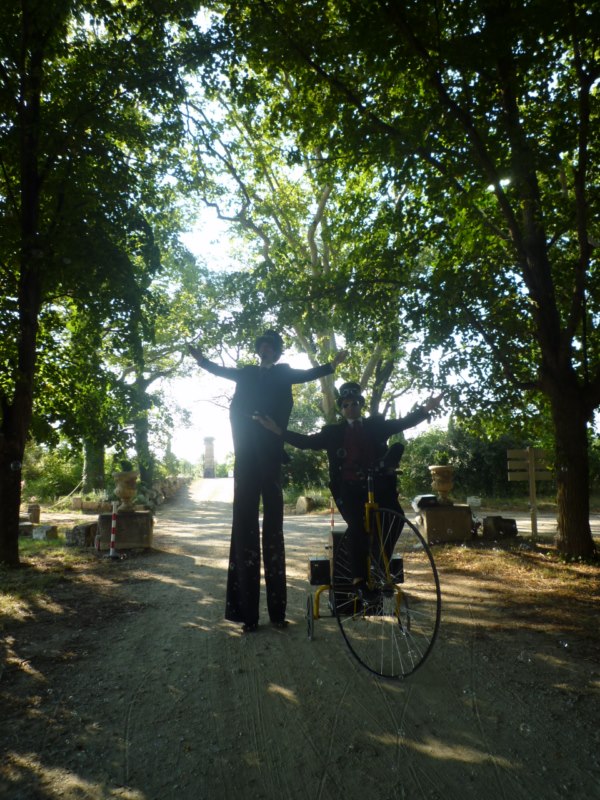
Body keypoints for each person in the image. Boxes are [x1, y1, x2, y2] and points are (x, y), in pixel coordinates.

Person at [189, 330, 347, 632]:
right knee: (243, 528)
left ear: (277, 352)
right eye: (262, 346)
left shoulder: (285, 374)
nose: (266, 350)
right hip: (246, 460)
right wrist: (202, 361)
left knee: (274, 532)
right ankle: (247, 616)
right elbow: (222, 371)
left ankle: (277, 614)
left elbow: (309, 373)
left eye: (271, 347)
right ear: (257, 350)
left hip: (271, 459)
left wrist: (331, 365)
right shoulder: (246, 373)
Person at [256, 381, 442, 595]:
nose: (350, 407)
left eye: (354, 403)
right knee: (357, 527)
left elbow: (404, 422)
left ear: (360, 405)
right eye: (345, 405)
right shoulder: (333, 433)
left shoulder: (376, 425)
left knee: (395, 518)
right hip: (349, 489)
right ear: (341, 409)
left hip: (378, 484)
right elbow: (306, 442)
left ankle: (380, 561)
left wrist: (426, 408)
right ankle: (359, 580)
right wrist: (277, 430)